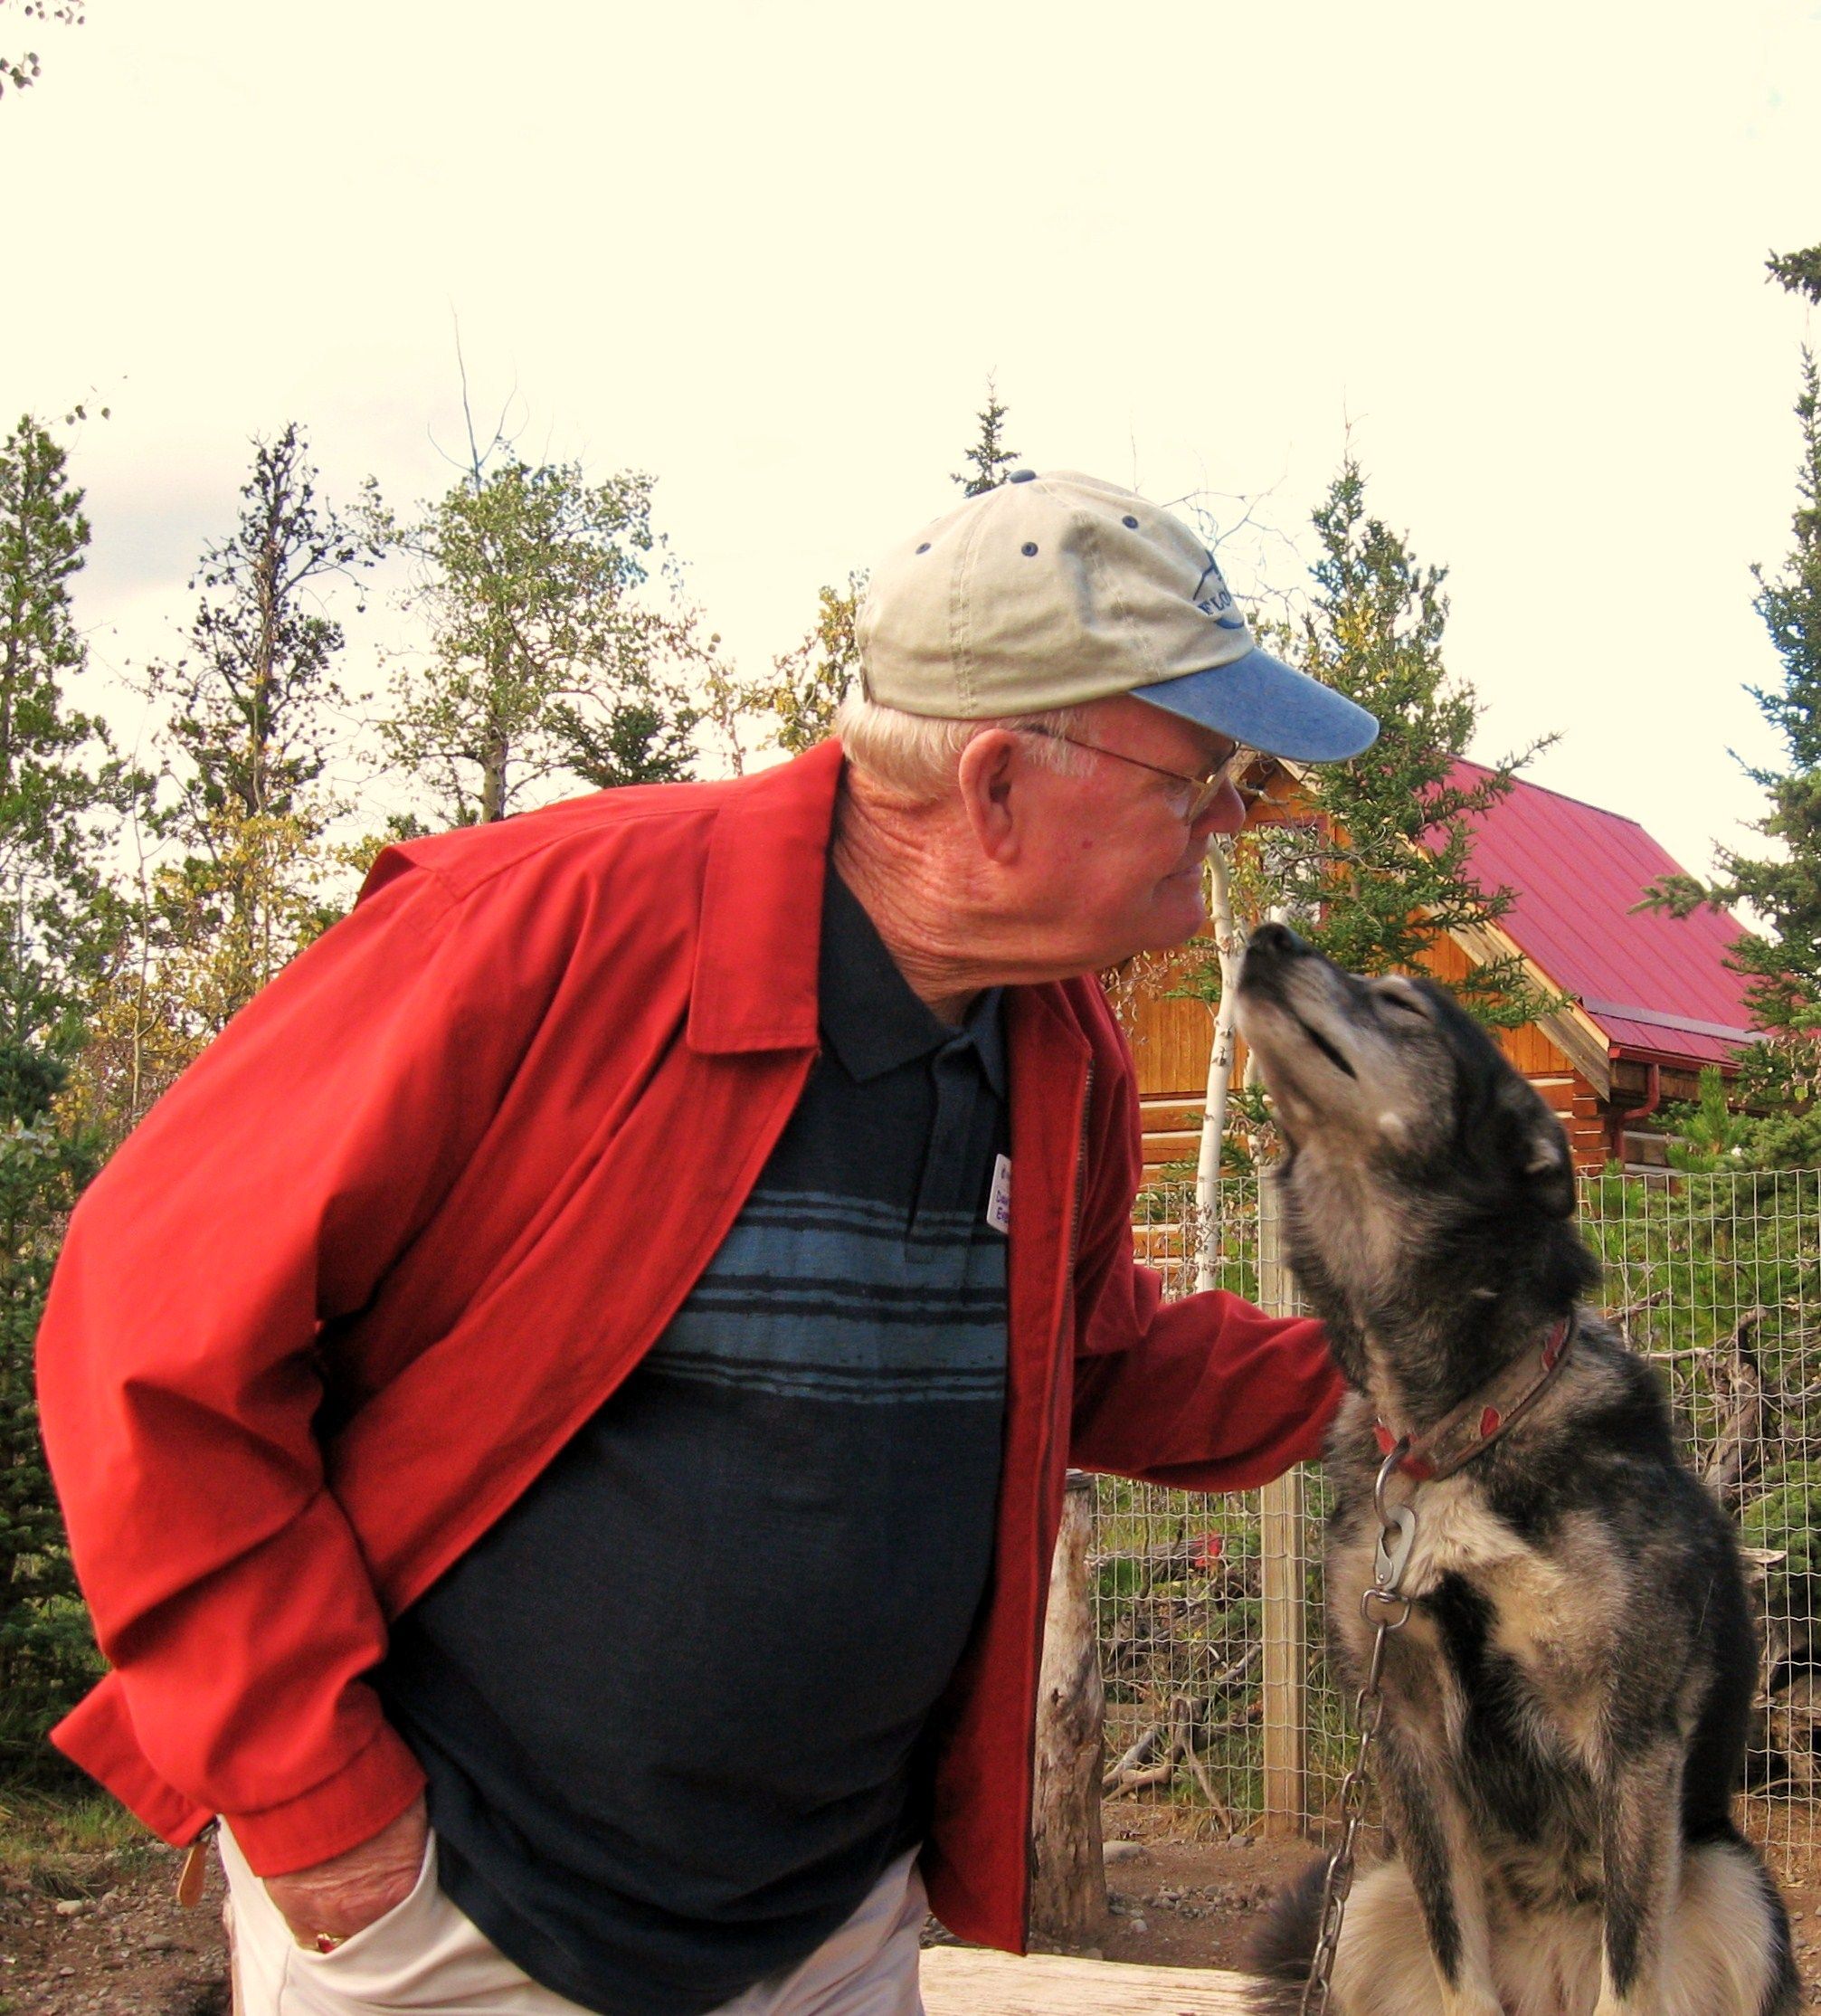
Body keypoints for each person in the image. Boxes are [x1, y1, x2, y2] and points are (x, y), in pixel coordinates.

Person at [37, 469, 1378, 2016]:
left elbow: (1082, 1356)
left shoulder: (1053, 1037)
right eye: (1199, 776)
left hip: (833, 1923)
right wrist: (321, 1811)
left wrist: (1422, 1378)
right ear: (998, 785)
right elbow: (148, 1337)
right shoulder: (538, 926)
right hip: (464, 1923)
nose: (1230, 817)